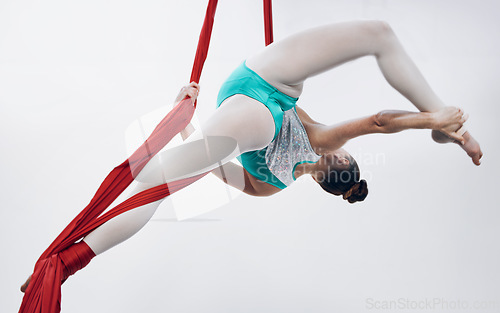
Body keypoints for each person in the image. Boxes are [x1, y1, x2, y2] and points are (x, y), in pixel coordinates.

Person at [20, 20, 482, 292]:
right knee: (155, 186)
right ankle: (64, 265)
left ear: (336, 164)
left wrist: (430, 122)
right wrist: (186, 122)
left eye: (344, 156)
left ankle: (445, 121)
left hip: (262, 91)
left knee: (378, 34)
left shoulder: (321, 140)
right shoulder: (271, 188)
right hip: (252, 118)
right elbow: (211, 170)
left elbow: (378, 120)